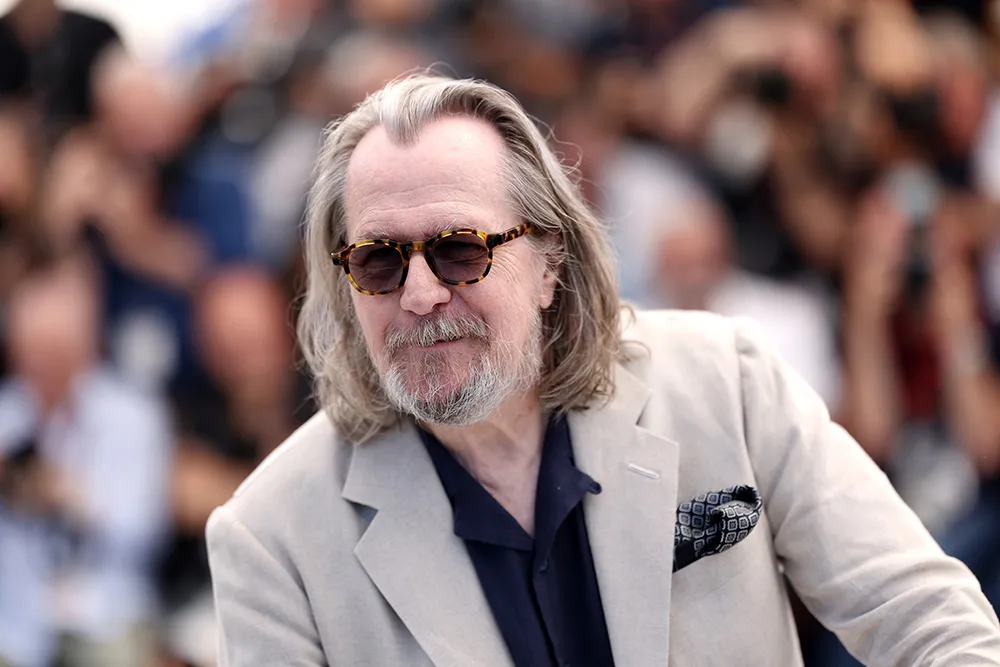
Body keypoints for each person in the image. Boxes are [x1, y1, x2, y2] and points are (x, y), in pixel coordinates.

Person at [206, 74, 1000, 666]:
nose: (419, 294)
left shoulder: (725, 380)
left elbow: (925, 617)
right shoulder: (271, 538)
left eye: (459, 250)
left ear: (550, 262)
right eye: (378, 262)